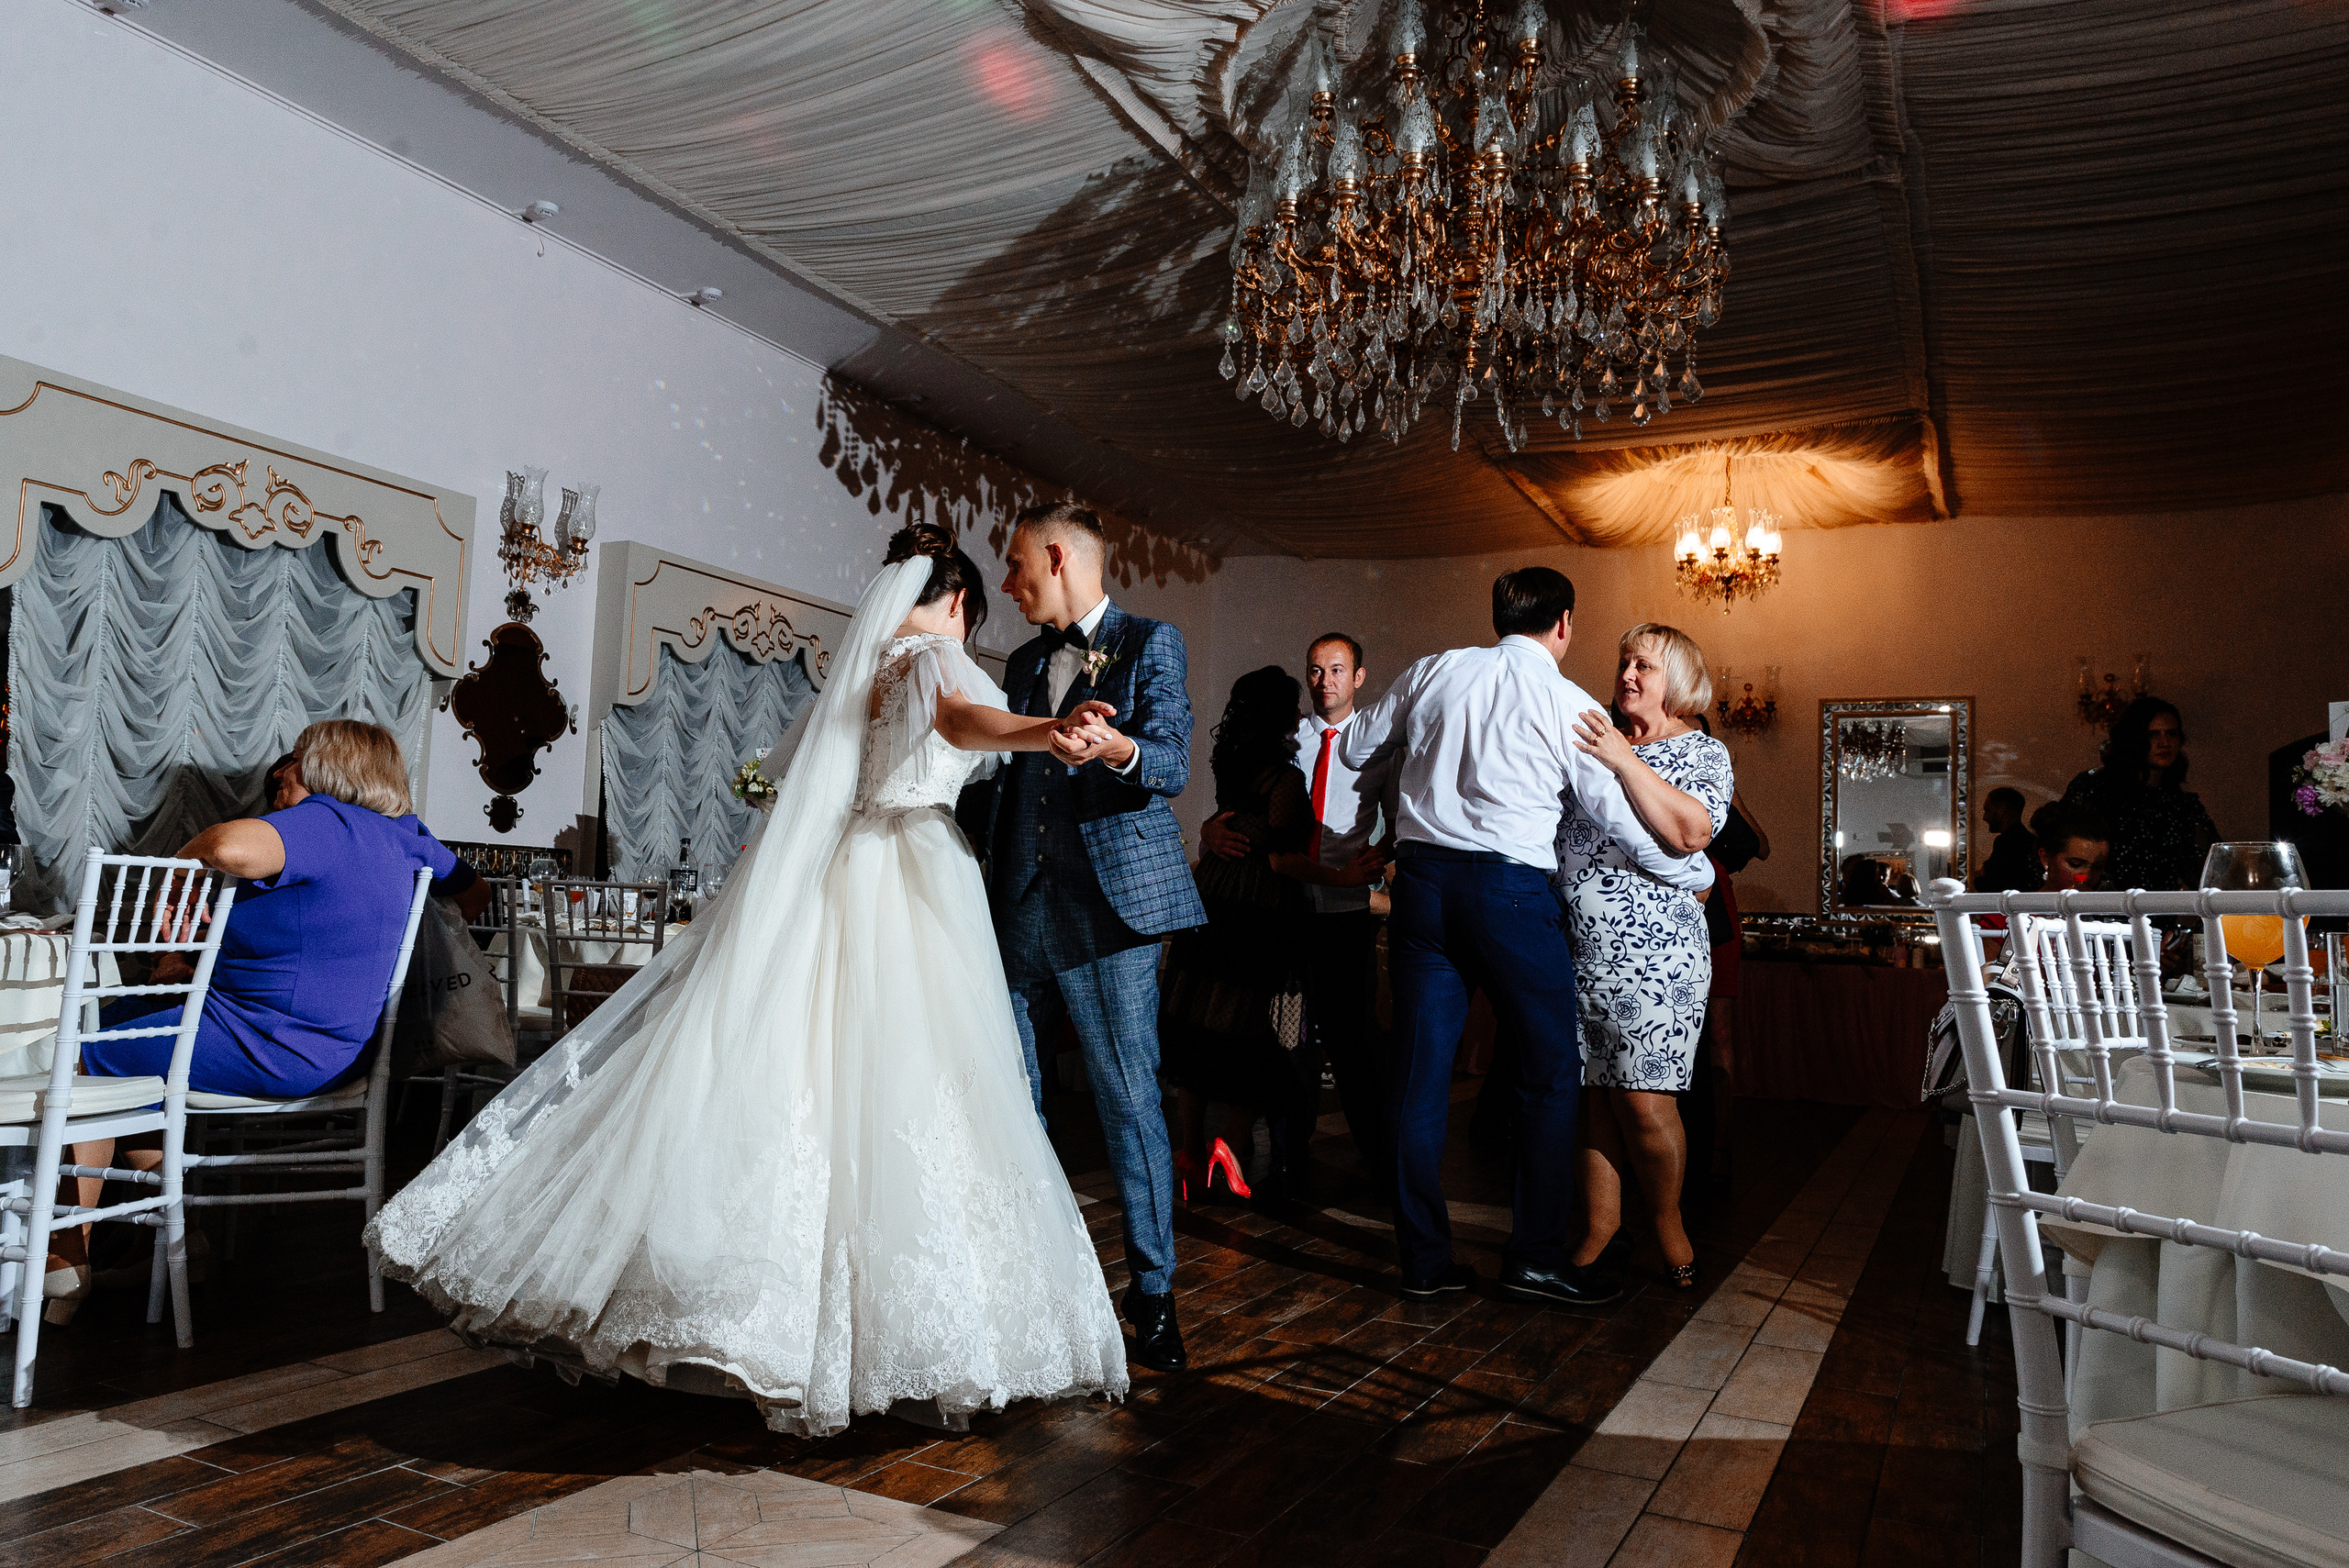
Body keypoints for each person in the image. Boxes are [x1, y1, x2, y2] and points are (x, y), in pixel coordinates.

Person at [366, 526, 1129, 1436]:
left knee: (798, 1069)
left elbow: (783, 775)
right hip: (913, 871)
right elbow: (960, 721)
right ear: (957, 601)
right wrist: (1046, 729)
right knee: (916, 1087)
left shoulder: (865, 672)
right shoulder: (935, 657)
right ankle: (891, 1336)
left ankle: (746, 1310)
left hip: (843, 868)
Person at [1340, 569, 1712, 1307]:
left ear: (1498, 615)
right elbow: (1623, 821)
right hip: (1509, 894)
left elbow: (1354, 748)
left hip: (1420, 889)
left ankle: (1424, 1262)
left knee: (1418, 1078)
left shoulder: (1434, 669)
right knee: (1549, 1074)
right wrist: (1689, 864)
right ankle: (1536, 1257)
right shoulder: (1570, 704)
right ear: (1564, 624)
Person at [45, 720, 467, 1320]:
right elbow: (470, 893)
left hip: (276, 1043)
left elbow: (227, 848)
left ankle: (64, 1258)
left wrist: (180, 866)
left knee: (94, 1055)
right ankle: (169, 1240)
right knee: (128, 1033)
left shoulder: (327, 821)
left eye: (292, 760)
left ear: (326, 768)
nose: (277, 774)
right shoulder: (403, 835)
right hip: (341, 1047)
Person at [976, 502, 1204, 1374]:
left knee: (1123, 1095)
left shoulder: (1153, 641)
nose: (1008, 582)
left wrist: (1118, 748)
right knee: (1014, 1094)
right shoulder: (1029, 659)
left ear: (1058, 556)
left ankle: (1153, 1297)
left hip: (1113, 913)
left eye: (1016, 563)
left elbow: (1175, 764)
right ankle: (1046, 1280)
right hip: (1022, 907)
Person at [1556, 626, 1731, 1291]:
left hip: (1657, 956)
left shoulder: (1700, 751)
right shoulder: (1593, 743)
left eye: (1645, 665)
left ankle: (1666, 1222)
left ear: (1678, 678)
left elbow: (1691, 831)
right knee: (1595, 1097)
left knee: (1644, 1099)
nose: (1628, 673)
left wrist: (1625, 761)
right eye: (1624, 660)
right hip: (1579, 947)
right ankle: (1602, 1228)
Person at [1161, 666, 1374, 1205]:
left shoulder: (1229, 760)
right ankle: (1229, 1151)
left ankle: (1189, 1150)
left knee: (1201, 1024)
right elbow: (1282, 859)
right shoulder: (1283, 777)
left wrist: (1211, 832)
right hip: (1258, 908)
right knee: (1254, 1029)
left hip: (1213, 895)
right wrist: (1346, 876)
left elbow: (1235, 824)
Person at [1198, 632, 1395, 1192]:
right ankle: (1286, 1155)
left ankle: (1379, 1158)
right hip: (1280, 905)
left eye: (1336, 670)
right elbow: (1238, 809)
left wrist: (1383, 856)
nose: (1323, 680)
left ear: (1357, 678)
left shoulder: (1378, 744)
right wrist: (1212, 831)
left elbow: (1398, 820)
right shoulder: (1284, 738)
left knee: (1351, 1036)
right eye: (1314, 670)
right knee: (1287, 1035)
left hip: (1344, 908)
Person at [2063, 697, 2217, 891]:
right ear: (2135, 739)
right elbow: (2066, 852)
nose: (2165, 743)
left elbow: (2213, 869)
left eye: (2172, 734)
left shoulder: (2183, 805)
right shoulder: (2095, 788)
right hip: (2103, 909)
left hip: (2160, 912)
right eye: (2153, 735)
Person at [2032, 798, 2111, 892]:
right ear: (2045, 858)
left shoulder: (2108, 905)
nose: (2086, 877)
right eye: (2075, 864)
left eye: (2098, 867)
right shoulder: (2020, 905)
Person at [1973, 786, 2041, 893]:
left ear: (2001, 810)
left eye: (1987, 810)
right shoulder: (2031, 840)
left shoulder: (2005, 843)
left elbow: (1993, 887)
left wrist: (1977, 878)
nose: (1984, 817)